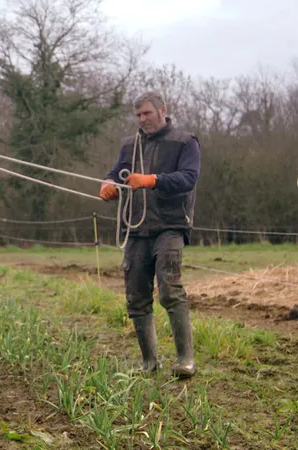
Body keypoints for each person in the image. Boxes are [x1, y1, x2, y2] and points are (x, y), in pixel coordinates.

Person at [99, 91, 200, 379]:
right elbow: (116, 172)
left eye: (147, 113)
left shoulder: (185, 142)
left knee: (170, 290)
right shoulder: (129, 145)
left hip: (170, 226)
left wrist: (153, 180)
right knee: (135, 297)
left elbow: (189, 178)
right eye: (138, 115)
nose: (143, 120)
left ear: (162, 110)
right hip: (135, 229)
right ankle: (149, 364)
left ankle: (186, 360)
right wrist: (108, 185)